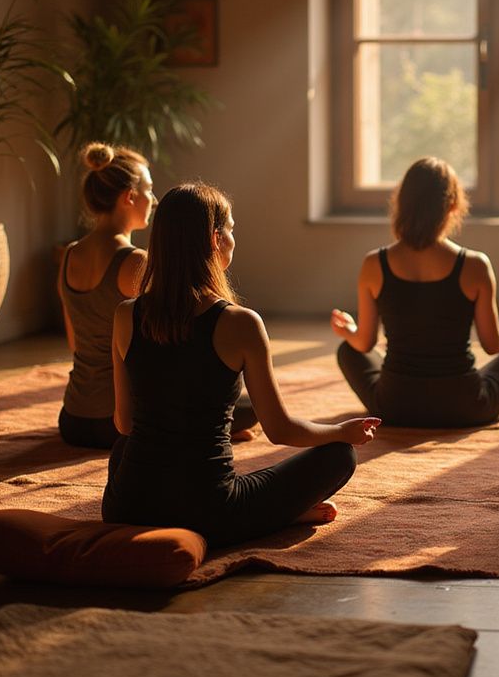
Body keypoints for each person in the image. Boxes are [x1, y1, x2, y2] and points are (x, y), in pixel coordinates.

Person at [103, 183, 379, 547]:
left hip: (126, 508)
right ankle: (278, 516)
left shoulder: (126, 314)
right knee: (339, 456)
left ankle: (275, 513)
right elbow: (279, 430)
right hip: (211, 513)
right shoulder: (241, 323)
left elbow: (124, 423)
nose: (235, 237)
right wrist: (342, 431)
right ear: (215, 240)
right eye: (232, 229)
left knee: (127, 447)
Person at [331, 157, 499, 428]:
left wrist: (349, 330)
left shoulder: (374, 263)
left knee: (347, 351)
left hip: (394, 405)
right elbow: (492, 344)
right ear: (453, 205)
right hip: (465, 407)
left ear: (401, 204)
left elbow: (364, 343)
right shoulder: (475, 264)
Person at [58, 143, 153, 449]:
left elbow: (75, 343)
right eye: (149, 190)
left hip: (72, 420)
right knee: (245, 409)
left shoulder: (70, 254)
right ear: (129, 197)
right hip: (120, 423)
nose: (153, 199)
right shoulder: (136, 262)